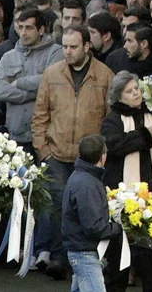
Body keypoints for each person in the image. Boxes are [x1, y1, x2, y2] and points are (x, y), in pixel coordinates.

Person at [31, 25, 114, 279]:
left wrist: (101, 153)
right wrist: (43, 151)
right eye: (65, 46)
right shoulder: (51, 73)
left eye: (73, 46)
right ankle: (58, 259)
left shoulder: (105, 75)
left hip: (88, 157)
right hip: (55, 154)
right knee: (58, 207)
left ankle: (90, 260)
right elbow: (40, 116)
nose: (67, 51)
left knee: (90, 210)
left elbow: (109, 118)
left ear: (87, 47)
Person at [100, 71, 152, 292]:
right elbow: (114, 145)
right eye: (129, 91)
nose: (136, 94)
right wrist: (147, 135)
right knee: (118, 267)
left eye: (137, 89)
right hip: (124, 200)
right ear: (119, 96)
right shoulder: (112, 119)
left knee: (151, 268)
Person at [0, 9, 63, 155]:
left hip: (48, 136)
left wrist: (19, 83)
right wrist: (37, 93)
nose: (23, 32)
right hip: (16, 135)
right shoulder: (8, 57)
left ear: (41, 30)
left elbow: (52, 81)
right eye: (21, 27)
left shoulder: (56, 52)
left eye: (29, 28)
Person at [62, 134, 122, 292]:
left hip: (80, 252)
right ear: (103, 156)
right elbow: (94, 227)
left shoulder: (82, 178)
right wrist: (120, 228)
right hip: (84, 254)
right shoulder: (87, 184)